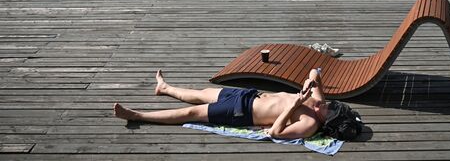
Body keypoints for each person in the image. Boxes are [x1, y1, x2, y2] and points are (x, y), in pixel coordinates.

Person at [113, 69, 363, 141]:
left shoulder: (308, 125)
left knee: (191, 113)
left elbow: (275, 132)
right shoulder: (318, 101)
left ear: (324, 121)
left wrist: (293, 105)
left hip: (241, 112)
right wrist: (310, 83)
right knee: (202, 94)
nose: (320, 105)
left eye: (323, 110)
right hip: (249, 95)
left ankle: (137, 115)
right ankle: (165, 88)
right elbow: (313, 72)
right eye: (326, 105)